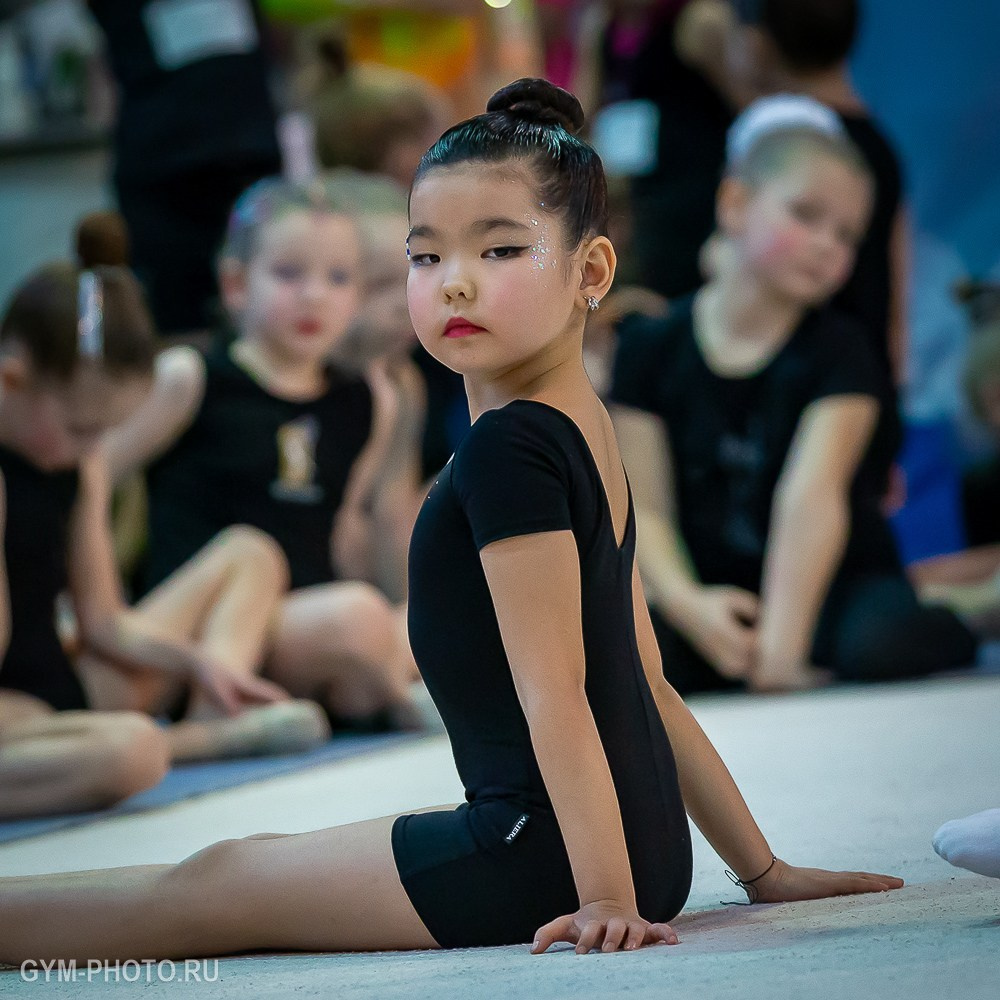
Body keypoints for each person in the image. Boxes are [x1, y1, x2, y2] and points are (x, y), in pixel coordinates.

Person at [0, 79, 903, 963]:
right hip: (634, 852)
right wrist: (758, 868)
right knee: (228, 870)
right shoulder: (581, 421)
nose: (455, 285)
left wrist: (603, 900)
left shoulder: (511, 448)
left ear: (591, 270)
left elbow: (563, 692)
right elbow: (643, 683)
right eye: (427, 256)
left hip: (538, 856)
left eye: (501, 252)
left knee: (210, 888)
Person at [610, 121, 978, 694]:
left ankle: (963, 611)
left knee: (880, 644)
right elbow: (645, 508)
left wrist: (782, 654)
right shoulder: (648, 347)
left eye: (848, 236)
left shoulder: (843, 351)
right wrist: (690, 606)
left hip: (832, 582)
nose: (829, 245)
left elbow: (811, 496)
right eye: (806, 216)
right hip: (711, 586)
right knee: (625, 649)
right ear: (735, 203)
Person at [0, 262, 326, 819]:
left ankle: (213, 710)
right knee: (130, 752)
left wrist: (197, 661)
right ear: (12, 379)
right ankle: (201, 743)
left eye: (106, 429)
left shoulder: (82, 462)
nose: (95, 445)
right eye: (82, 428)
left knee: (251, 550)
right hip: (15, 714)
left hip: (65, 689)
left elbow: (104, 620)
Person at [103, 176, 421, 728]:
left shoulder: (370, 397)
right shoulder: (192, 378)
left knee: (437, 615)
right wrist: (95, 606)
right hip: (205, 624)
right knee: (359, 620)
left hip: (303, 614)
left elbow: (345, 530)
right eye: (288, 273)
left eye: (339, 278)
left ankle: (356, 689)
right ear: (234, 283)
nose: (314, 296)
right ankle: (360, 692)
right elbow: (89, 475)